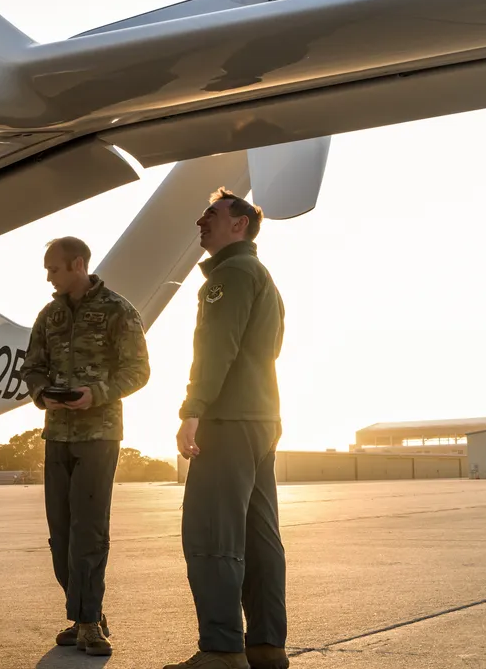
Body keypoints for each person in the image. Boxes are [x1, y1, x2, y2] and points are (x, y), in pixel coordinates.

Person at [164, 189, 288, 669]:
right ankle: (265, 646)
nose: (201, 219)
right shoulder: (263, 277)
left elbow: (217, 349)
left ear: (239, 224)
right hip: (262, 420)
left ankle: (221, 650)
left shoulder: (230, 275)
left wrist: (193, 408)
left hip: (229, 420)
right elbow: (270, 349)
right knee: (260, 538)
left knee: (213, 533)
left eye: (211, 213)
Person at [21, 236, 151, 657]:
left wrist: (95, 393)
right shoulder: (50, 314)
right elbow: (32, 368)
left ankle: (90, 622)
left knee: (89, 532)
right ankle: (82, 616)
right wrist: (44, 394)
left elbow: (138, 370)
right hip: (57, 433)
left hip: (99, 433)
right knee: (60, 534)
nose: (47, 276)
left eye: (53, 268)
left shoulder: (118, 309)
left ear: (77, 264)